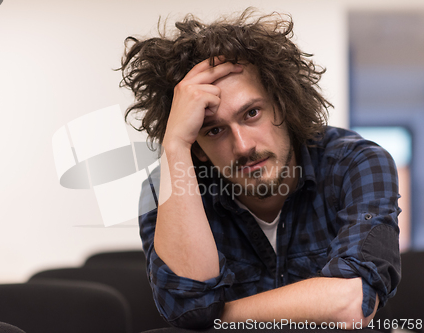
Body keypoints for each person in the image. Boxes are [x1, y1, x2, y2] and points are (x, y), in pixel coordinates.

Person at [119, 9, 401, 330]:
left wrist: (216, 319)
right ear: (196, 146)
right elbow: (188, 307)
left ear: (283, 103)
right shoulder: (165, 188)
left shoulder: (356, 162)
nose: (242, 146)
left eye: (251, 113)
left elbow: (352, 303)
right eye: (213, 130)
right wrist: (174, 145)